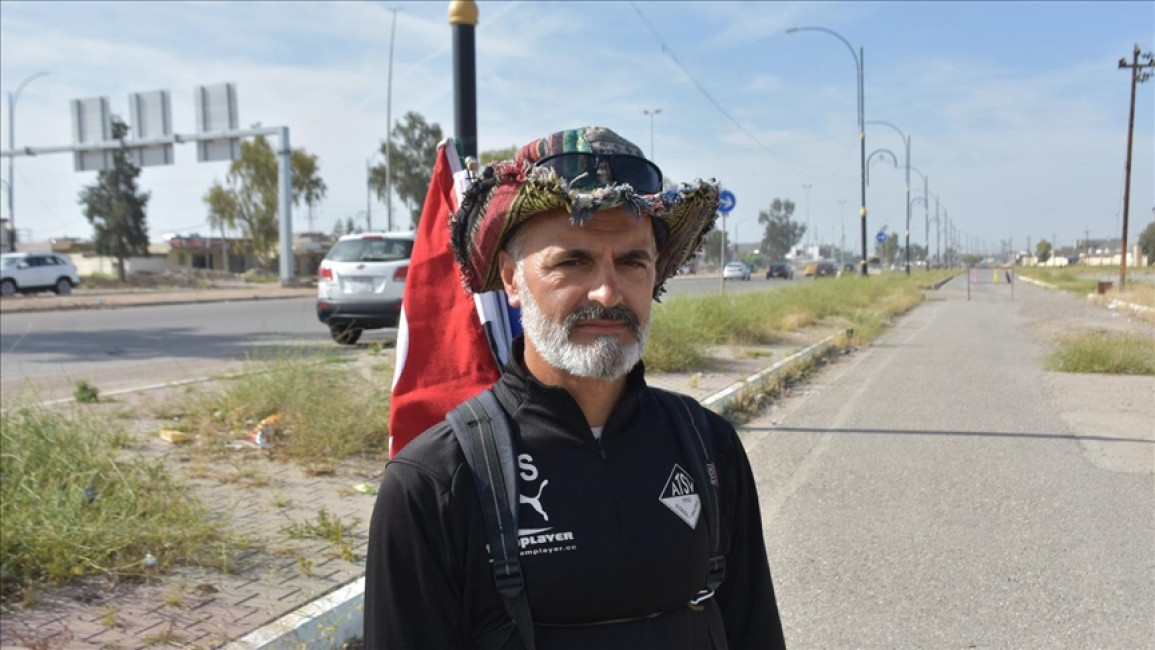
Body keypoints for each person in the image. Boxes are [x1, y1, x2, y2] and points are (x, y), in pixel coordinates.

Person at [365, 126, 786, 649]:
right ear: (512, 278)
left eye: (633, 262)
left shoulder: (710, 451)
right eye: (573, 261)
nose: (609, 293)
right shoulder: (435, 485)